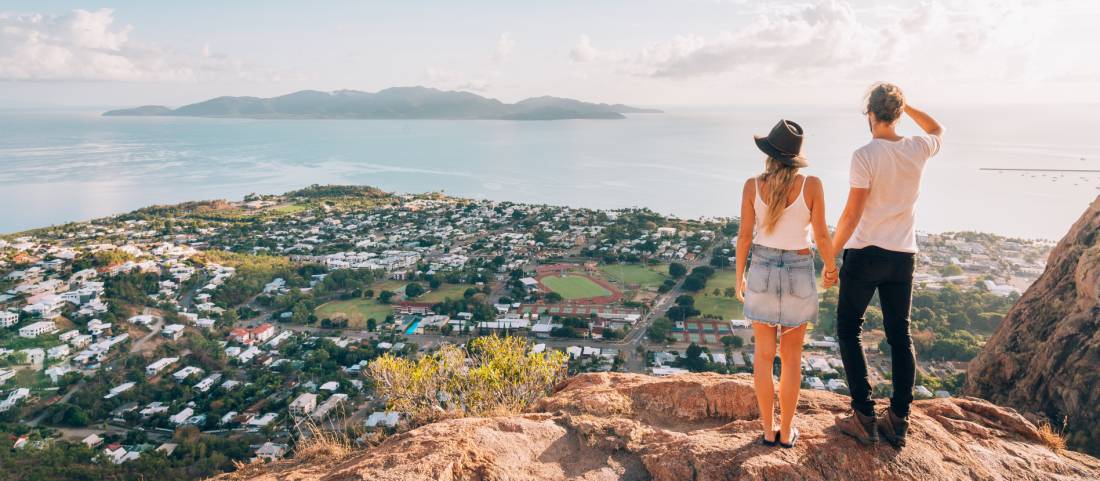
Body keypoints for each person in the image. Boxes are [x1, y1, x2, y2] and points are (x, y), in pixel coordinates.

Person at [831, 83, 944, 448]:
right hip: (902, 257)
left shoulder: (864, 154)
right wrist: (908, 108)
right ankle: (898, 419)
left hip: (865, 254)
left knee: (849, 329)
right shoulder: (918, 147)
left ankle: (864, 416)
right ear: (897, 113)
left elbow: (852, 213)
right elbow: (937, 129)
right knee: (900, 335)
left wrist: (830, 254)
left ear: (870, 114)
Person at [735, 119, 838, 449]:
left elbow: (744, 236)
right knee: (792, 358)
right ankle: (787, 430)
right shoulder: (812, 185)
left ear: (768, 154)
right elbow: (821, 234)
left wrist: (739, 275)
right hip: (797, 268)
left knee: (764, 357)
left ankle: (767, 430)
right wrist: (831, 267)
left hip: (762, 268)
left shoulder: (753, 185)